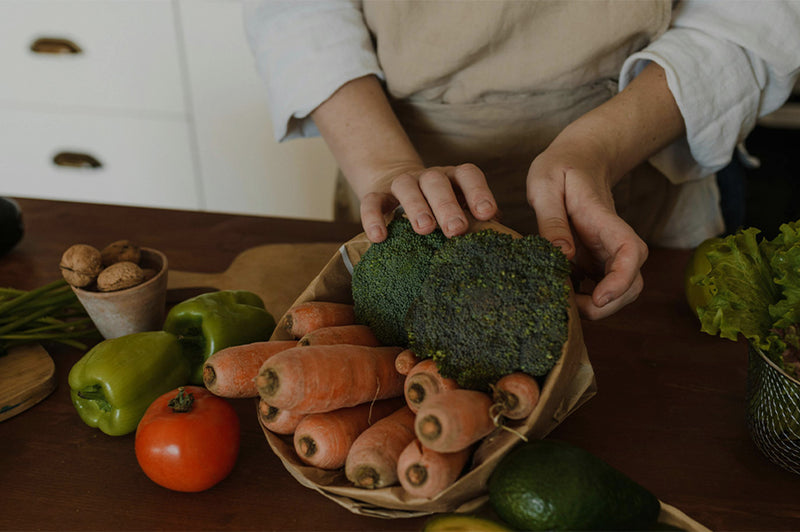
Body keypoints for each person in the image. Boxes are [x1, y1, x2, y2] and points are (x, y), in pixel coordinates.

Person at [244, 0, 800, 319]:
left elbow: (757, 14)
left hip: (638, 147)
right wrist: (385, 168)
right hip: (384, 158)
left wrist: (599, 147)